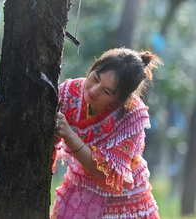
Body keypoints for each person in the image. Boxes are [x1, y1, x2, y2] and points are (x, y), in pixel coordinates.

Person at [50, 47, 162, 219]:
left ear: (121, 99)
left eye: (107, 91)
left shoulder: (132, 116)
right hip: (81, 188)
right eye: (95, 78)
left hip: (123, 200)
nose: (94, 90)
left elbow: (106, 172)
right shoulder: (69, 93)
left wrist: (69, 135)